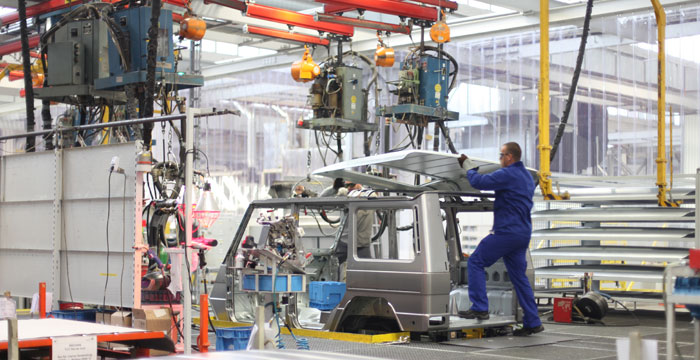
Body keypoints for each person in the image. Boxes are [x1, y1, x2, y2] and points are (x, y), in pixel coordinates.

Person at [457, 142, 544, 336]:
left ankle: (480, 307)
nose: (499, 159)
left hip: (506, 232)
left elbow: (479, 183)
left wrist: (468, 166)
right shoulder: (528, 178)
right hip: (522, 234)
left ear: (509, 157)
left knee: (476, 261)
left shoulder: (508, 174)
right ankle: (533, 322)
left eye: (501, 155)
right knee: (519, 277)